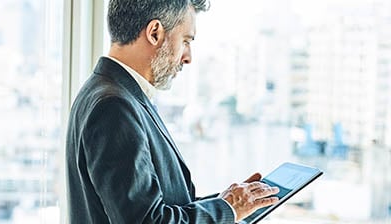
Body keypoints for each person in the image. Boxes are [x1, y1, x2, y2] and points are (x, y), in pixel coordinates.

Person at [65, 0, 280, 223]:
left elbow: (163, 205)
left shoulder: (113, 93)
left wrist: (229, 204)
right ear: (155, 33)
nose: (188, 58)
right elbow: (149, 220)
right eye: (186, 41)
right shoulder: (114, 107)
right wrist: (228, 209)